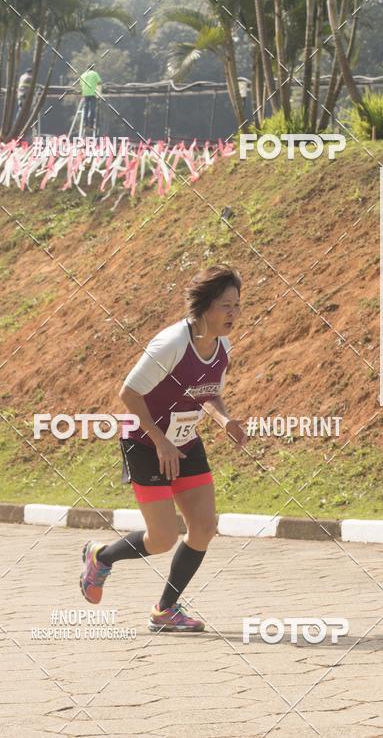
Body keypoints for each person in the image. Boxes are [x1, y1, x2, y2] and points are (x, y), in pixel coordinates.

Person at [79, 265, 247, 633]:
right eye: (225, 306)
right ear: (203, 306)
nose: (233, 314)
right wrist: (160, 441)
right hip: (144, 443)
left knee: (203, 527)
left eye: (237, 305)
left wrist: (225, 421)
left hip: (184, 442)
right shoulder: (172, 344)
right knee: (163, 538)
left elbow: (208, 391)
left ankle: (165, 610)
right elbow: (129, 392)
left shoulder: (223, 347)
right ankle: (101, 556)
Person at [80, 67, 102, 135]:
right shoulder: (95, 74)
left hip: (85, 94)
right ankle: (91, 125)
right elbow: (99, 82)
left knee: (85, 109)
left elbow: (81, 84)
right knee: (92, 109)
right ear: (93, 68)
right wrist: (99, 94)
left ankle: (85, 124)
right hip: (93, 94)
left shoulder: (82, 75)